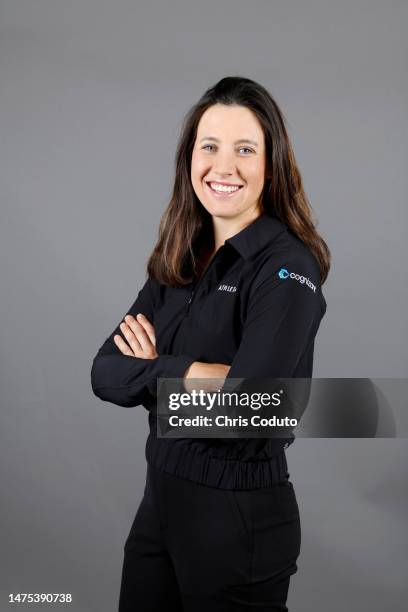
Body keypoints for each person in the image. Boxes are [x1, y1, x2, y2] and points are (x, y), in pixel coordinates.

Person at [91, 76, 330, 612]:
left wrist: (154, 371)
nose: (224, 167)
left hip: (239, 522)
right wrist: (198, 373)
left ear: (271, 164)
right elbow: (104, 373)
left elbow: (248, 408)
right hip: (161, 508)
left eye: (245, 149)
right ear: (189, 159)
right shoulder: (182, 254)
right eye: (210, 146)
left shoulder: (288, 268)